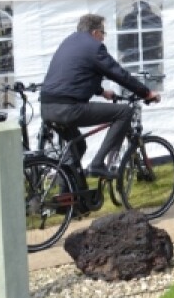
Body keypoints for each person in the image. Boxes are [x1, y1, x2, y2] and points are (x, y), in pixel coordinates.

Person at [41, 14, 160, 177]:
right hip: (68, 108)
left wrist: (101, 92)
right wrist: (146, 93)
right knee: (124, 112)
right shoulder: (94, 47)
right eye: (103, 34)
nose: (103, 38)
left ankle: (67, 197)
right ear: (96, 32)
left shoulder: (69, 42)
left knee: (78, 147)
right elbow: (118, 73)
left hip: (47, 107)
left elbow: (75, 74)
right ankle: (97, 163)